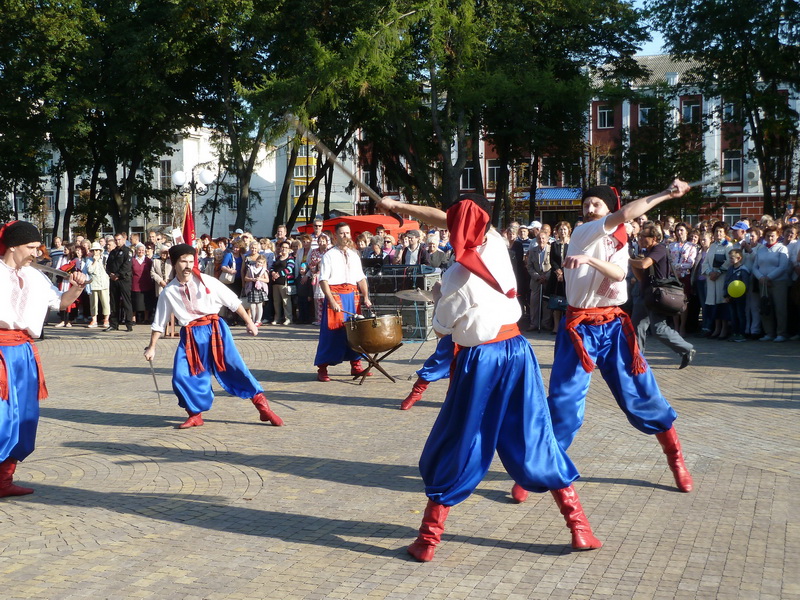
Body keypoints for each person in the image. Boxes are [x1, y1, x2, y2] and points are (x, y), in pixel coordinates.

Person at [377, 194, 600, 561]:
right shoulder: (495, 241)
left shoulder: (455, 276)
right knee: (535, 432)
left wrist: (437, 295)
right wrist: (399, 207)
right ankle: (580, 527)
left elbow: (441, 330)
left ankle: (428, 540)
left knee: (461, 438)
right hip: (518, 351)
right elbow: (450, 218)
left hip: (481, 359)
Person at [545, 182, 695, 497]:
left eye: (596, 205)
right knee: (564, 404)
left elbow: (618, 274)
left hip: (613, 325)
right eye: (586, 204)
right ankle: (541, 467)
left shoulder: (620, 239)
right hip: (579, 329)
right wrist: (665, 194)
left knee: (642, 392)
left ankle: (676, 459)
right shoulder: (584, 232)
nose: (589, 209)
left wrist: (590, 261)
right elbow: (626, 213)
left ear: (608, 209)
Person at [143, 244, 284, 429]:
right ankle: (195, 414)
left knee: (235, 368)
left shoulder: (207, 281)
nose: (188, 265)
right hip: (191, 335)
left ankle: (263, 407)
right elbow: (159, 323)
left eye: (191, 261)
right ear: (174, 263)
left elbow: (232, 301)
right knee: (183, 375)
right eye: (183, 261)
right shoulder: (169, 291)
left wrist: (249, 322)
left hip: (215, 330)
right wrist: (152, 347)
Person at [0, 221, 87, 497]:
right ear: (12, 246)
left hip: (24, 353)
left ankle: (4, 481)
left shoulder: (36, 276)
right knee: (2, 418)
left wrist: (76, 288)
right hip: (0, 351)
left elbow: (60, 303)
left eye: (38, 247)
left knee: (25, 417)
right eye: (30, 247)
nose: (36, 253)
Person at [630, 224, 696, 368]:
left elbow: (644, 264)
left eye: (643, 236)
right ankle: (638, 360)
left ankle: (686, 349)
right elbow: (641, 276)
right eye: (639, 236)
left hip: (656, 296)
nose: (640, 239)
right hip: (645, 294)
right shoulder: (647, 250)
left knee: (658, 329)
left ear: (654, 238)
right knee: (637, 327)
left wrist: (629, 261)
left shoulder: (659, 249)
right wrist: (634, 263)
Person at [313, 223, 372, 382]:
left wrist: (366, 297)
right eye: (342, 233)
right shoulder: (329, 255)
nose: (345, 236)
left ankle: (356, 364)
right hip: (336, 295)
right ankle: (322, 368)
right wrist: (331, 300)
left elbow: (361, 278)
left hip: (352, 296)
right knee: (331, 333)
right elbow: (323, 280)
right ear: (335, 236)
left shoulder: (354, 255)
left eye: (347, 233)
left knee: (355, 331)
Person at [752, 226, 790, 342]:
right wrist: (761, 277)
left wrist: (769, 277)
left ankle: (781, 333)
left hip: (778, 282)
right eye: (768, 236)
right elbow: (755, 267)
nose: (770, 238)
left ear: (777, 236)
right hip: (763, 283)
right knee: (765, 307)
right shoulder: (761, 250)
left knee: (780, 308)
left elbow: (783, 266)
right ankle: (769, 333)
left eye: (772, 235)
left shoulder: (782, 248)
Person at [105, 232, 133, 332]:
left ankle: (129, 324)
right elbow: (108, 265)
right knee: (113, 302)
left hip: (124, 280)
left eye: (119, 239)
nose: (118, 241)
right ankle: (113, 324)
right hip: (113, 280)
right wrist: (110, 274)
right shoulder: (113, 252)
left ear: (124, 240)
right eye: (116, 240)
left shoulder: (127, 251)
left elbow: (127, 266)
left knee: (126, 302)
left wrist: (117, 275)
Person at [723, 248, 751, 342]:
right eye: (729, 258)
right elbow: (726, 282)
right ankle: (734, 333)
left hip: (740, 297)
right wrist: (726, 295)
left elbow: (745, 285)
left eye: (732, 258)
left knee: (740, 315)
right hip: (730, 297)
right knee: (733, 315)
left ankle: (741, 334)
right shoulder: (730, 269)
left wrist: (740, 293)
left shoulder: (743, 270)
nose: (730, 260)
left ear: (739, 258)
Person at [87, 242, 110, 329]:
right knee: (93, 303)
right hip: (94, 284)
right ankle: (94, 320)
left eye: (97, 250)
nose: (95, 252)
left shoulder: (105, 258)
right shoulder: (89, 260)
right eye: (93, 250)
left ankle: (106, 319)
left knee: (105, 302)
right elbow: (90, 270)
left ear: (100, 251)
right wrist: (95, 261)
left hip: (104, 284)